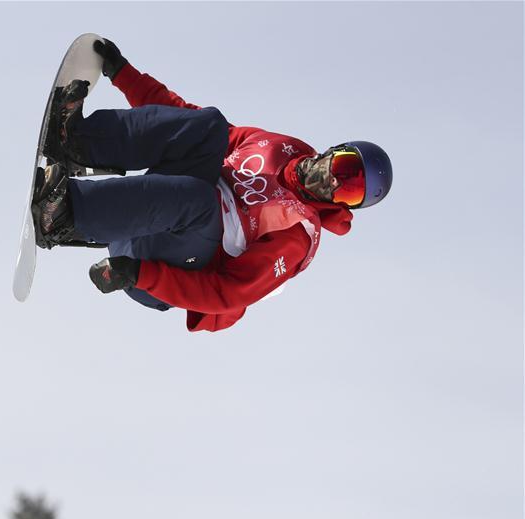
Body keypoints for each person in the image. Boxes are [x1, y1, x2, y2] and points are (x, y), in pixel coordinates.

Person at [32, 37, 393, 332]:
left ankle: (64, 215)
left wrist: (139, 275)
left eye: (348, 192)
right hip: (150, 210)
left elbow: (228, 293)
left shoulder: (298, 234)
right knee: (210, 127)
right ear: (333, 152)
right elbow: (185, 119)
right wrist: (125, 75)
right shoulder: (278, 147)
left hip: (163, 264)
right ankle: (75, 142)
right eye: (346, 169)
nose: (334, 182)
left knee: (202, 201)